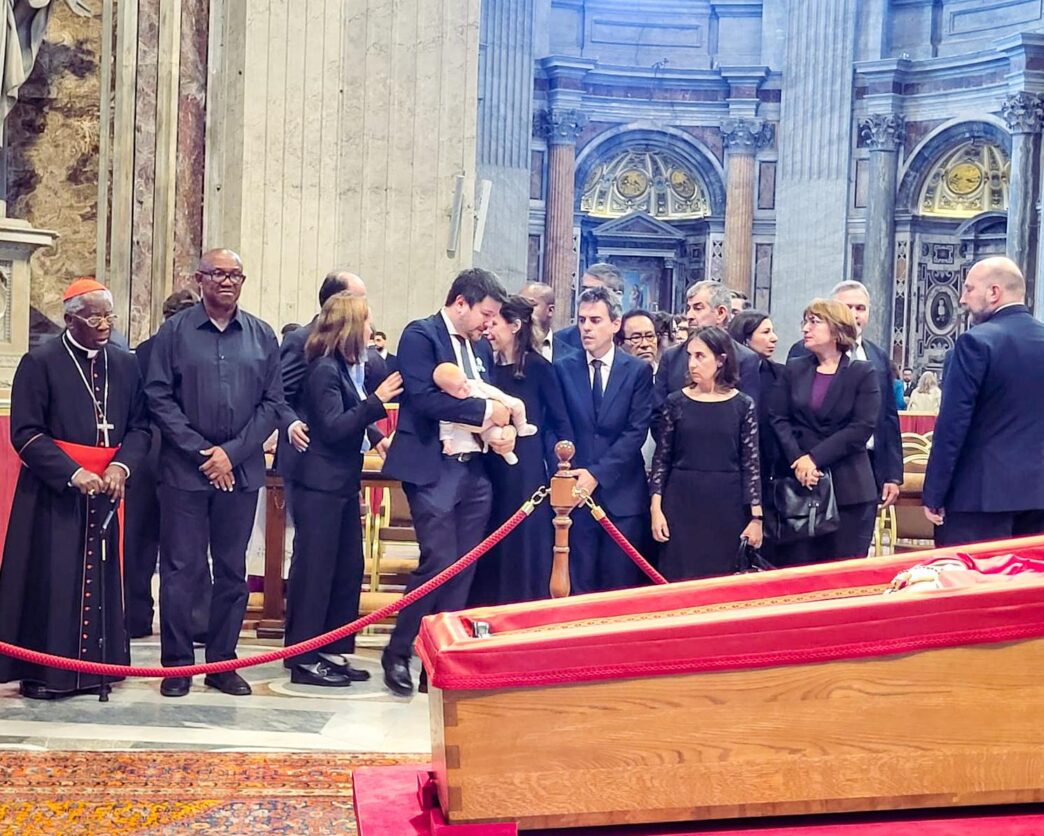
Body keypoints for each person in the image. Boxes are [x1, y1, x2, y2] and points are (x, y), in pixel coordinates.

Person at [0, 278, 150, 700]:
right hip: (54, 494)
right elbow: (26, 432)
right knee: (54, 579)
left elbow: (141, 426)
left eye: (108, 316)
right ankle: (49, 675)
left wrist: (121, 466)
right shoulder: (40, 362)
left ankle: (99, 669)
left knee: (103, 579)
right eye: (94, 317)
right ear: (70, 320)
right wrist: (72, 472)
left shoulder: (125, 364)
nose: (104, 324)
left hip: (109, 491)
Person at [146, 248, 286, 698]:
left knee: (231, 571)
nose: (227, 282)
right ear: (199, 279)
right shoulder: (175, 332)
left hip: (239, 474)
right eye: (218, 274)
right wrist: (204, 453)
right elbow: (158, 397)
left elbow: (272, 403)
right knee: (181, 570)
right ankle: (177, 666)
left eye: (235, 275)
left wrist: (231, 454)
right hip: (185, 473)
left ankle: (222, 664)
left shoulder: (261, 334)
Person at [380, 268, 512, 696]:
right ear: (460, 303)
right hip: (433, 466)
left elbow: (489, 395)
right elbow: (424, 400)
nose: (488, 325)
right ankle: (398, 649)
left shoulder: (480, 348)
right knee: (438, 561)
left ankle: (439, 662)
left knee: (464, 567)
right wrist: (486, 414)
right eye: (485, 314)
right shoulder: (420, 335)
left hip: (474, 468)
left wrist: (501, 429)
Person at [282, 293, 403, 687]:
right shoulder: (323, 369)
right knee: (315, 573)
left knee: (346, 569)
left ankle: (331, 648)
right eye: (366, 322)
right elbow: (333, 427)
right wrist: (377, 403)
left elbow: (351, 415)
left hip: (342, 484)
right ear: (351, 326)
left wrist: (374, 429)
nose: (371, 329)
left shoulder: (346, 369)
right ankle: (303, 657)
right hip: (319, 485)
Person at [923, 257, 1044, 546]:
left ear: (993, 292)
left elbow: (953, 425)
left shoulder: (975, 342)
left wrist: (934, 494)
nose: (962, 299)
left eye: (968, 289)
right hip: (1039, 496)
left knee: (971, 575)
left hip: (979, 498)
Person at [469, 296, 574, 606]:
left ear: (515, 326)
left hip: (524, 470)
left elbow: (561, 422)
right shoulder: (485, 367)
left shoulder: (539, 367)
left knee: (521, 543)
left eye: (494, 323)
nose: (488, 330)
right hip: (488, 464)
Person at [556, 286, 654, 593]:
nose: (586, 327)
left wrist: (596, 474)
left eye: (595, 320)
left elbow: (636, 431)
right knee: (578, 585)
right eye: (582, 320)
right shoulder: (563, 368)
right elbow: (558, 425)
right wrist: (572, 472)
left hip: (622, 493)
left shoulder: (637, 371)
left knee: (619, 586)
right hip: (575, 491)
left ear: (615, 324)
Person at [787, 280, 903, 536]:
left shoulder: (877, 356)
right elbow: (789, 414)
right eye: (847, 307)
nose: (854, 314)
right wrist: (806, 459)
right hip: (811, 466)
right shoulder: (801, 353)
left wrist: (893, 474)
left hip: (863, 465)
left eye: (860, 308)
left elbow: (887, 417)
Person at [769, 300, 881, 566]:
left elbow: (861, 427)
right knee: (798, 572)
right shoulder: (794, 368)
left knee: (842, 575)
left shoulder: (862, 373)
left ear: (836, 329)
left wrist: (814, 459)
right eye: (805, 321)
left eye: (814, 322)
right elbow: (778, 417)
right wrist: (798, 459)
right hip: (799, 487)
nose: (805, 328)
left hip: (849, 490)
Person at [650, 327, 762, 580]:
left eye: (700, 356)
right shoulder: (675, 402)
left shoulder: (743, 405)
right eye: (689, 356)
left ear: (721, 360)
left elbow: (751, 464)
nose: (692, 363)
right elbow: (661, 460)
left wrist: (756, 518)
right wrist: (656, 509)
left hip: (727, 505)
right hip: (680, 503)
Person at [124, 288, 201, 640]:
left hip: (144, 448)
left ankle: (135, 617)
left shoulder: (142, 350)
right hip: (184, 449)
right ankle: (196, 621)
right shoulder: (198, 348)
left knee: (139, 540)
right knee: (188, 542)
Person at [654, 281, 761, 438]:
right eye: (688, 308)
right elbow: (657, 413)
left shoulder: (745, 359)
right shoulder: (671, 357)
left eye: (698, 308)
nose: (689, 316)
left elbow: (748, 419)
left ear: (721, 313)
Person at [728, 309, 785, 560]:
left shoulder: (780, 374)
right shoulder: (728, 377)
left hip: (769, 472)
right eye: (766, 332)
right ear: (745, 339)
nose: (774, 338)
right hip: (733, 470)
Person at [432, 362, 537, 465]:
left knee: (518, 404)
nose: (466, 388)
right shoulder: (450, 406)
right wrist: (447, 441)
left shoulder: (475, 385)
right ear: (445, 393)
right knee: (496, 437)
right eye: (459, 389)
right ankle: (507, 453)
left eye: (465, 381)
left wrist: (505, 403)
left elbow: (494, 392)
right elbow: (445, 425)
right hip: (484, 430)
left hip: (499, 411)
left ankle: (522, 426)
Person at [556, 263, 625, 351]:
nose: (586, 296)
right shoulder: (560, 342)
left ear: (618, 296)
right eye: (583, 290)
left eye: (595, 291)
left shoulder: (633, 338)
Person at [520, 280, 575, 362]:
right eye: (520, 304)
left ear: (550, 310)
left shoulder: (570, 355)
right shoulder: (509, 349)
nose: (523, 309)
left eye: (531, 304)